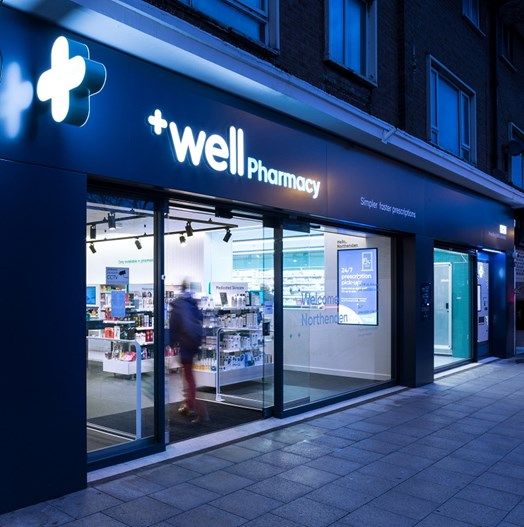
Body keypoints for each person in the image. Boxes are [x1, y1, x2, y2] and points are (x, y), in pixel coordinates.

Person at [169, 280, 207, 424]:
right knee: (187, 373)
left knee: (188, 375)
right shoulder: (192, 303)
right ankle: (188, 403)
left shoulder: (177, 305)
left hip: (185, 342)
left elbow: (173, 327)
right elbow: (200, 318)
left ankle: (196, 409)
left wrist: (171, 343)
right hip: (194, 342)